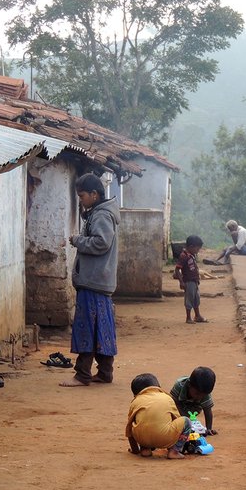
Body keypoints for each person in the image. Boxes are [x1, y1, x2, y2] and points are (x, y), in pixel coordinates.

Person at [61, 173, 120, 387]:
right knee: (101, 329)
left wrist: (77, 240)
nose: (81, 200)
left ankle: (82, 374)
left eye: (82, 195)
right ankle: (105, 372)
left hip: (94, 281)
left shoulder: (102, 215)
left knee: (87, 327)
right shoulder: (100, 212)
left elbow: (100, 243)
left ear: (94, 194)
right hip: (99, 281)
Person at [126, 373, 192, 459]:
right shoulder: (167, 398)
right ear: (158, 387)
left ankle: (145, 450)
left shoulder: (135, 401)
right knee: (186, 421)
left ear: (135, 394)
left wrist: (135, 450)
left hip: (142, 439)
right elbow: (177, 418)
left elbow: (129, 428)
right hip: (164, 438)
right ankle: (174, 451)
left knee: (139, 423)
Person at [170, 366, 218, 435]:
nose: (199, 397)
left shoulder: (204, 392)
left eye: (203, 395)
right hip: (179, 405)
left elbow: (207, 410)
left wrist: (209, 428)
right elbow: (173, 404)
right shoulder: (179, 385)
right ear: (189, 385)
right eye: (197, 393)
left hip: (194, 409)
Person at [174, 235, 208, 324]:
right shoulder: (183, 256)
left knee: (196, 298)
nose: (198, 251)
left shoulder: (191, 255)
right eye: (197, 249)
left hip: (194, 281)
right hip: (188, 281)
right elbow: (177, 270)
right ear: (191, 246)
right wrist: (181, 282)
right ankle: (188, 317)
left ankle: (197, 315)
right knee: (189, 299)